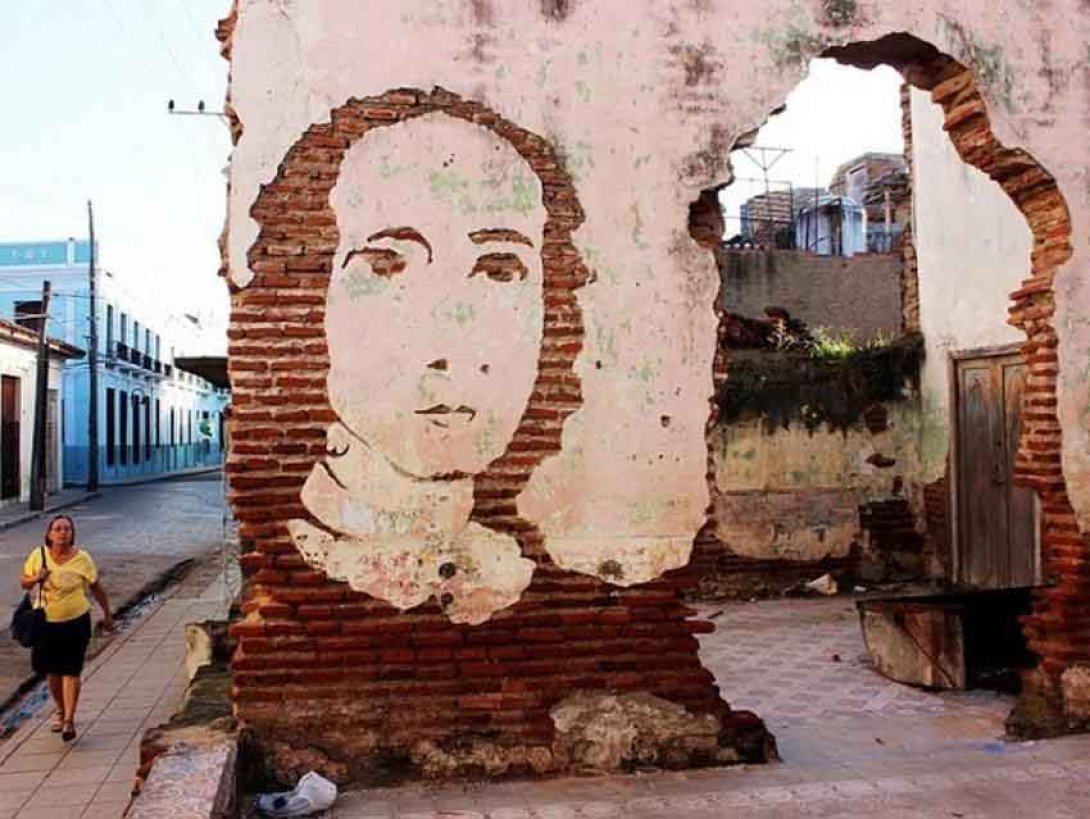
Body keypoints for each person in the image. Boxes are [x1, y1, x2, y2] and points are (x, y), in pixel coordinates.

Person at [244, 89, 589, 624]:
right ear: (314, 306)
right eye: (386, 266)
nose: (448, 345)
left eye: (499, 269)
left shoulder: (530, 564)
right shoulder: (308, 555)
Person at [20, 514, 113, 742]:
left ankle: (69, 720)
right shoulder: (38, 555)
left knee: (71, 670)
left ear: (72, 534)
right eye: (58, 529)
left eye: (67, 529)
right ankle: (61, 710)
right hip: (46, 624)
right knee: (52, 671)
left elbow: (96, 587)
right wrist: (36, 578)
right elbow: (24, 582)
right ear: (50, 534)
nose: (63, 533)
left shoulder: (82, 559)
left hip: (76, 621)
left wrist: (108, 613)